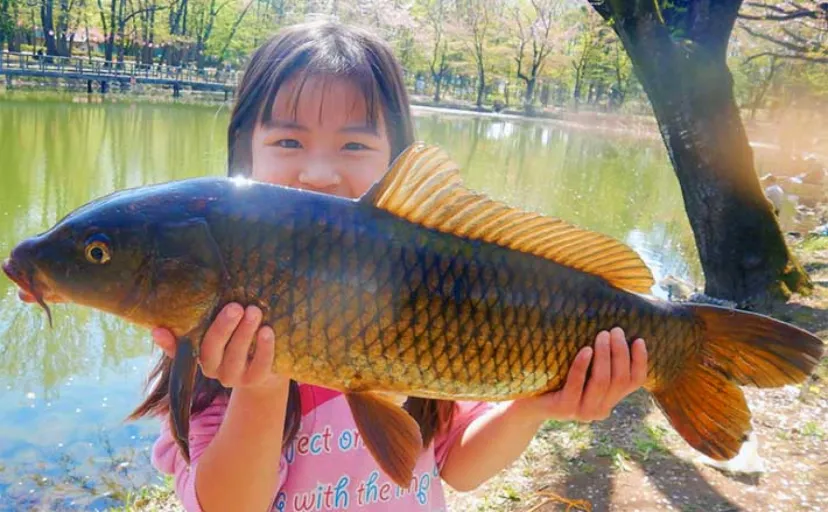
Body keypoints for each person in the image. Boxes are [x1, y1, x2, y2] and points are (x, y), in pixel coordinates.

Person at [132, 20, 648, 512]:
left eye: (354, 145)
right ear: (243, 160)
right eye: (288, 142)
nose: (318, 174)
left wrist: (536, 404)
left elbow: (459, 468)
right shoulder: (208, 335)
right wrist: (261, 385)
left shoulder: (429, 293)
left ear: (395, 160)